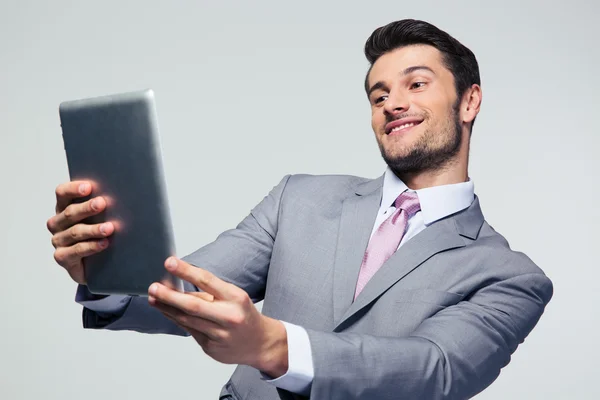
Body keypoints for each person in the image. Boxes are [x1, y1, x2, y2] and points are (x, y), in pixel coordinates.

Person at [46, 19, 553, 400]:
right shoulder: (298, 199)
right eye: (378, 94)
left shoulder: (509, 277)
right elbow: (186, 294)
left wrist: (272, 345)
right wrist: (107, 266)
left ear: (469, 102)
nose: (391, 103)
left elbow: (435, 370)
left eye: (415, 84)